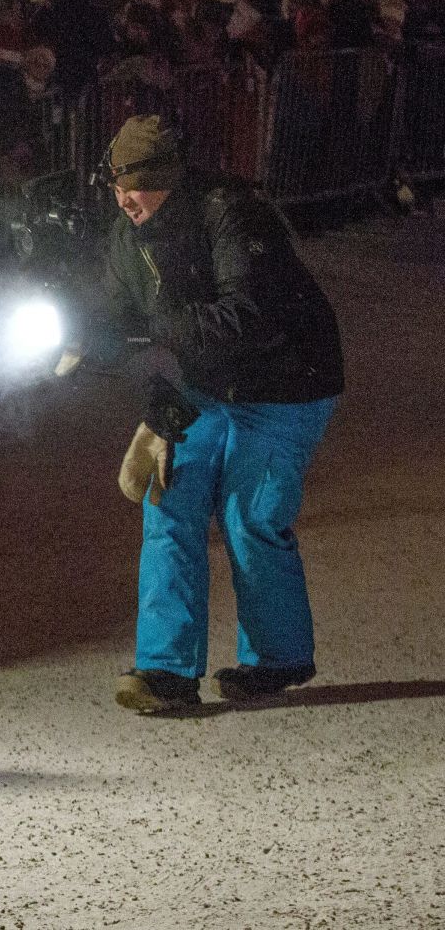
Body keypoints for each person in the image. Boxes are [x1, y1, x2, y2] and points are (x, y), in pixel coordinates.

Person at [84, 116, 344, 714]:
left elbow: (248, 315)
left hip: (285, 382)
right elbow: (124, 326)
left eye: (137, 185)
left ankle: (278, 658)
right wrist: (156, 399)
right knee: (168, 503)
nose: (125, 200)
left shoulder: (230, 214)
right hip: (206, 382)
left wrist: (161, 334)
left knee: (249, 514)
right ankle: (165, 670)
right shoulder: (128, 237)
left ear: (169, 179)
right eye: (117, 186)